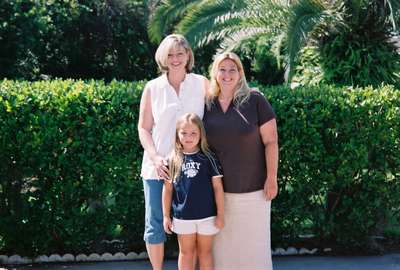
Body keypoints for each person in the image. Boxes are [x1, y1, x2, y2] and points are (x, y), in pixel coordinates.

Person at [137, 34, 209, 270]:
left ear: (188, 55)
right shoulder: (153, 88)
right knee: (155, 224)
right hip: (159, 168)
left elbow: (222, 110)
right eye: (170, 54)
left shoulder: (201, 83)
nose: (175, 58)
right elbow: (144, 128)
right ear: (162, 58)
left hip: (193, 168)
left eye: (180, 53)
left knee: (192, 225)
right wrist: (156, 158)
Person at [203, 52, 279, 270]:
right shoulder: (207, 103)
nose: (227, 74)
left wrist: (271, 178)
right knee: (223, 255)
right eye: (222, 69)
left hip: (254, 192)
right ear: (215, 73)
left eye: (232, 69)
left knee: (254, 252)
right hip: (217, 193)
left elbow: (271, 141)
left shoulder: (256, 100)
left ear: (240, 73)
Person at [162, 113, 224, 270]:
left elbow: (218, 188)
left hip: (207, 216)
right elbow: (168, 189)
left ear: (201, 134)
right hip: (183, 217)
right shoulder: (172, 160)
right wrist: (165, 216)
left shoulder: (209, 157)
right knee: (186, 253)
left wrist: (221, 215)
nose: (188, 137)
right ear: (177, 134)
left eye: (193, 133)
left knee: (205, 253)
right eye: (184, 133)